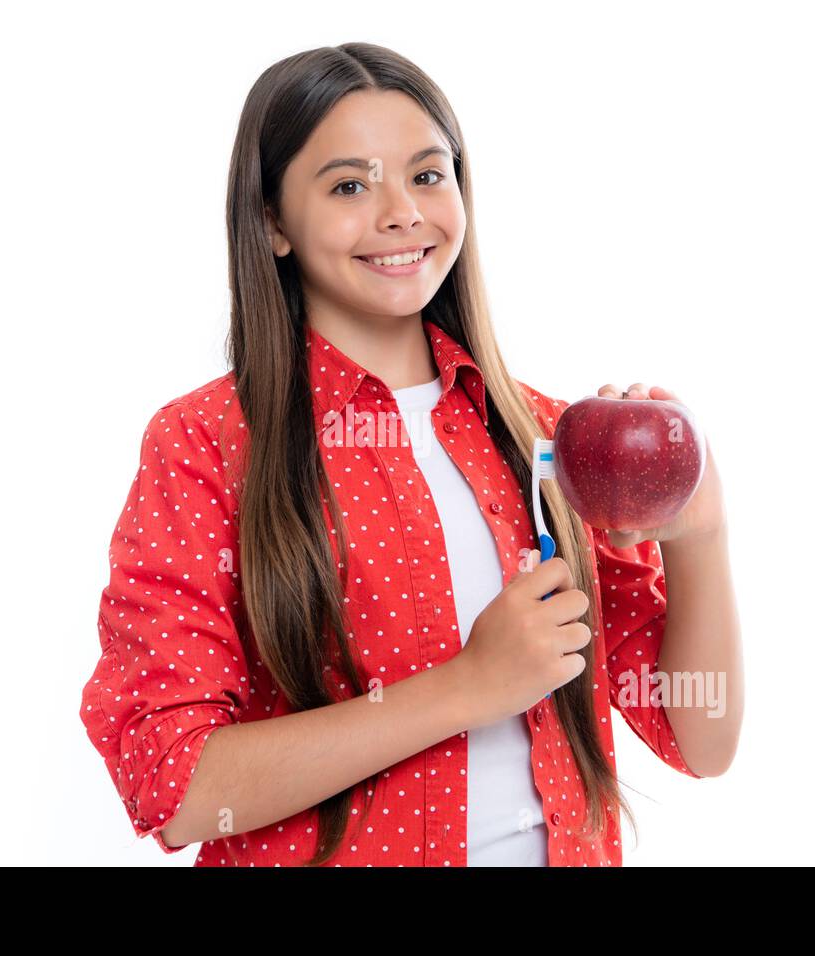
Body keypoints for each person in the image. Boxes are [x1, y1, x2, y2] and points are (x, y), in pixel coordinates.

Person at [79, 42, 742, 867]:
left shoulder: (548, 440)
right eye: (350, 185)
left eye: (428, 175)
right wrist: (465, 687)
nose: (401, 212)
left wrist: (699, 539)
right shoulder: (205, 446)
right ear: (274, 221)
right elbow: (173, 786)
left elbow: (700, 739)